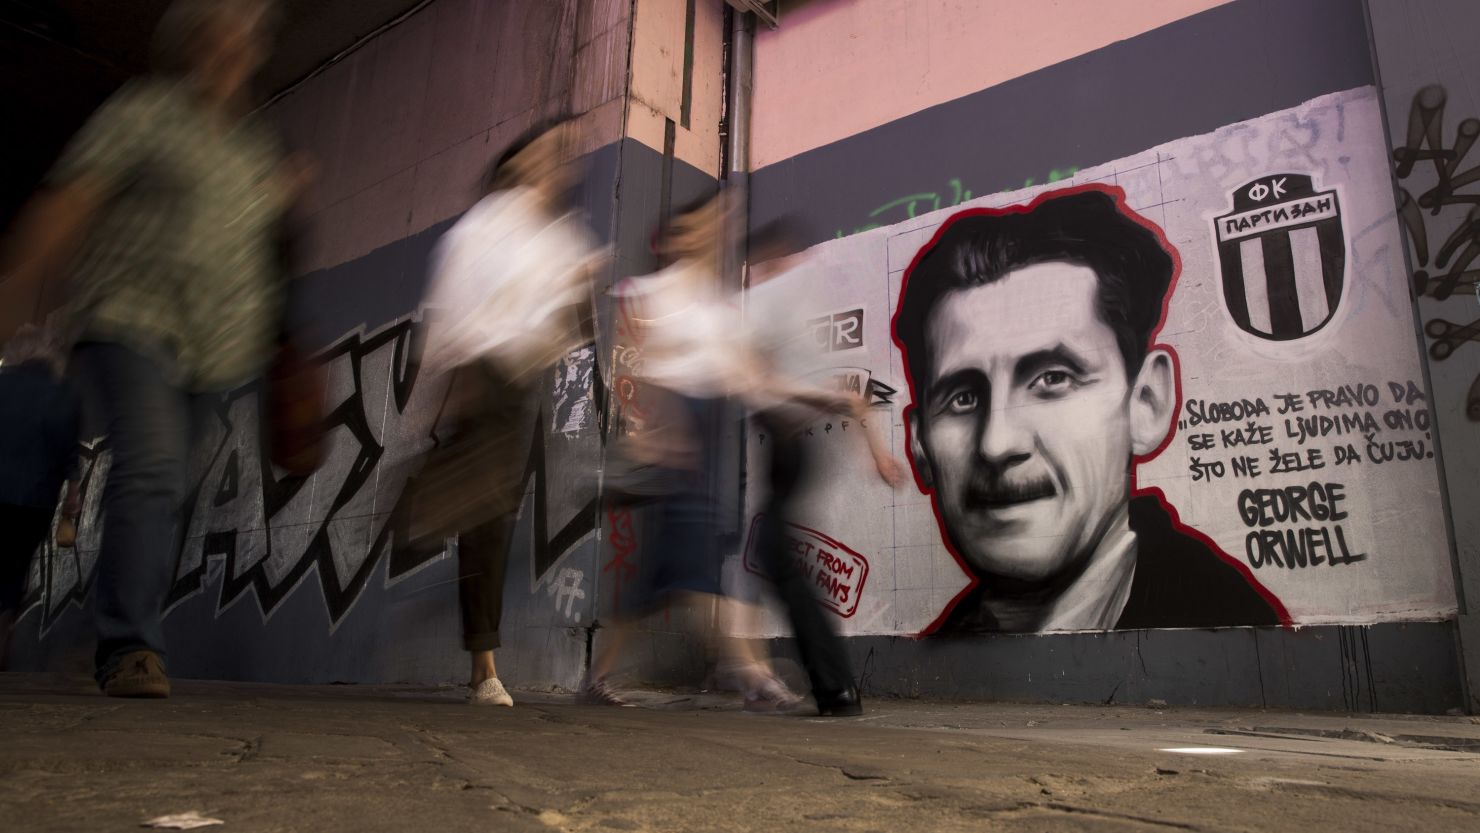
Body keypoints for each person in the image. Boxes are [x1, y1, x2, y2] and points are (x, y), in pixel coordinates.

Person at [0, 0, 301, 696]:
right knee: (156, 468)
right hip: (130, 318)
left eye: (246, 31)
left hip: (218, 347)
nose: (235, 41)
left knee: (166, 488)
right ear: (193, 42)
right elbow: (73, 196)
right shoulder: (148, 111)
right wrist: (17, 281)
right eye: (220, 28)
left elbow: (262, 252)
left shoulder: (254, 148)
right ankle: (130, 646)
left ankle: (99, 633)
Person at [892, 188, 1286, 633]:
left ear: (1146, 404)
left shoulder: (1228, 632)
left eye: (1053, 379)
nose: (997, 443)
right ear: (919, 444)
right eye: (963, 398)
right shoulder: (944, 658)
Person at [401, 119, 603, 707]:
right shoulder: (484, 224)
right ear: (515, 163)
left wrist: (576, 284)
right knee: (486, 523)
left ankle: (481, 659)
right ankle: (484, 668)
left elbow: (562, 321)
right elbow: (450, 299)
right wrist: (451, 372)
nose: (556, 162)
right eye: (544, 151)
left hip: (521, 385)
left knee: (493, 515)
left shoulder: (557, 235)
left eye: (562, 155)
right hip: (483, 373)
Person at [743, 221, 907, 716]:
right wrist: (877, 454)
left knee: (778, 559)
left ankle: (835, 687)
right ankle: (834, 686)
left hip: (789, 445)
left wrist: (797, 393)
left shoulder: (769, 299)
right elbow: (853, 403)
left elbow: (760, 377)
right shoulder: (795, 316)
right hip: (794, 449)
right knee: (777, 557)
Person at [0, 326, 81, 669]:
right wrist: (71, 503)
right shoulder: (63, 395)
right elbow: (69, 458)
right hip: (34, 503)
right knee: (13, 573)